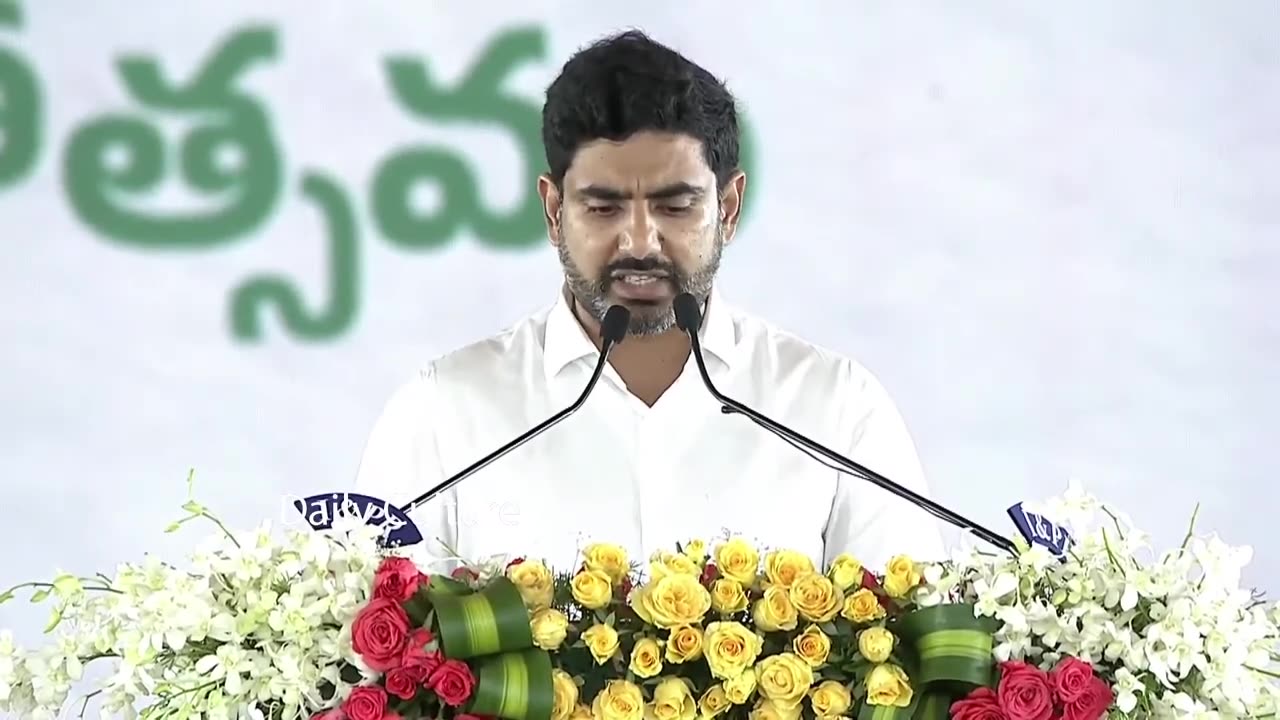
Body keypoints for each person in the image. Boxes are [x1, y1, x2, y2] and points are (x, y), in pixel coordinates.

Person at [355, 30, 947, 574]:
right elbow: (367, 665)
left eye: (676, 205)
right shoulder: (443, 413)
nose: (639, 242)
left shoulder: (836, 410)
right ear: (554, 212)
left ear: (729, 208)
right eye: (604, 207)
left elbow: (920, 650)